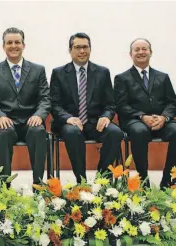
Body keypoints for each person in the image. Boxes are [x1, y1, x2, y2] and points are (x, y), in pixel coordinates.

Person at [50, 32, 123, 183]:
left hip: (95, 122)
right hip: (70, 124)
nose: (82, 51)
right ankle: (81, 180)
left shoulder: (102, 72)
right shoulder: (59, 73)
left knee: (115, 133)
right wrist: (68, 118)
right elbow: (54, 104)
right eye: (77, 47)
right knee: (72, 133)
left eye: (85, 47)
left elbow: (111, 103)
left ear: (90, 49)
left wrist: (106, 116)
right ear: (70, 50)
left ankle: (102, 179)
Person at [114, 38, 176, 187]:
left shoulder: (162, 77)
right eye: (137, 50)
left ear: (150, 52)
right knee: (139, 131)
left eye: (144, 49)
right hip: (135, 121)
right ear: (130, 54)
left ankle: (168, 180)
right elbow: (121, 105)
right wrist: (142, 116)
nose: (141, 52)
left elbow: (173, 102)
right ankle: (143, 180)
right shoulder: (122, 78)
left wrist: (164, 117)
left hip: (161, 120)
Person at [0, 27, 50, 185]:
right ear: (3, 46)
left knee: (39, 132)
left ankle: (39, 184)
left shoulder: (38, 70)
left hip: (30, 121)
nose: (13, 46)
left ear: (23, 45)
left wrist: (39, 115)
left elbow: (45, 99)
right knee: (4, 133)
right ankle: (4, 187)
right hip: (6, 121)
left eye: (17, 42)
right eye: (9, 43)